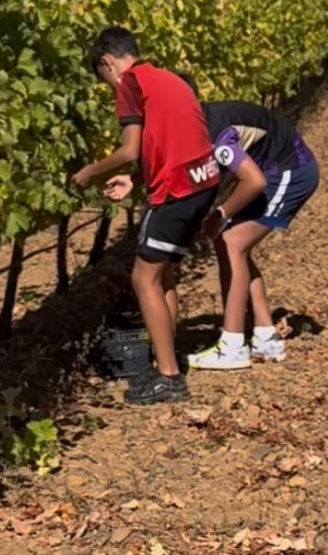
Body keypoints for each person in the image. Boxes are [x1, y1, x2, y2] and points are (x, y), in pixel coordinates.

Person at [73, 27, 219, 404]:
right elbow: (168, 141)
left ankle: (168, 379)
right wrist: (134, 179)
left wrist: (93, 171)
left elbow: (129, 148)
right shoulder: (167, 78)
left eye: (104, 78)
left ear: (107, 63)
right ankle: (164, 360)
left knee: (143, 278)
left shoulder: (130, 82)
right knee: (162, 273)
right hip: (203, 182)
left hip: (177, 190)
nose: (110, 87)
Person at [187, 95, 320, 370]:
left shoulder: (215, 134)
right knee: (234, 245)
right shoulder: (200, 121)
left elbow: (254, 181)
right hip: (273, 170)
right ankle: (265, 336)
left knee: (231, 241)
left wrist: (220, 215)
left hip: (290, 171)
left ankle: (233, 346)